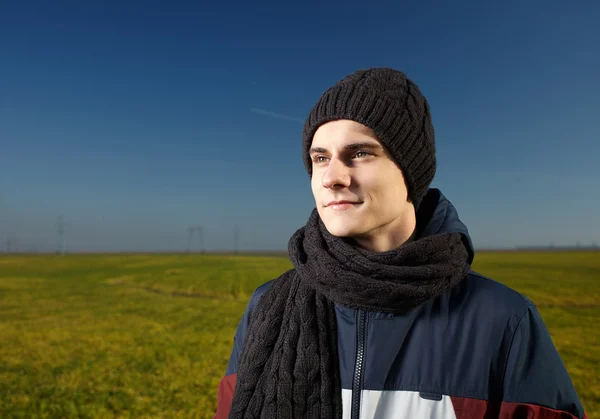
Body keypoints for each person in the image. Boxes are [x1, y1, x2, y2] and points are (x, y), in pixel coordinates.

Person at [213, 68, 587, 419]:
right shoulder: (267, 306)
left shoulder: (501, 320)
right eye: (320, 158)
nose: (332, 178)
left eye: (359, 153)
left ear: (412, 171)